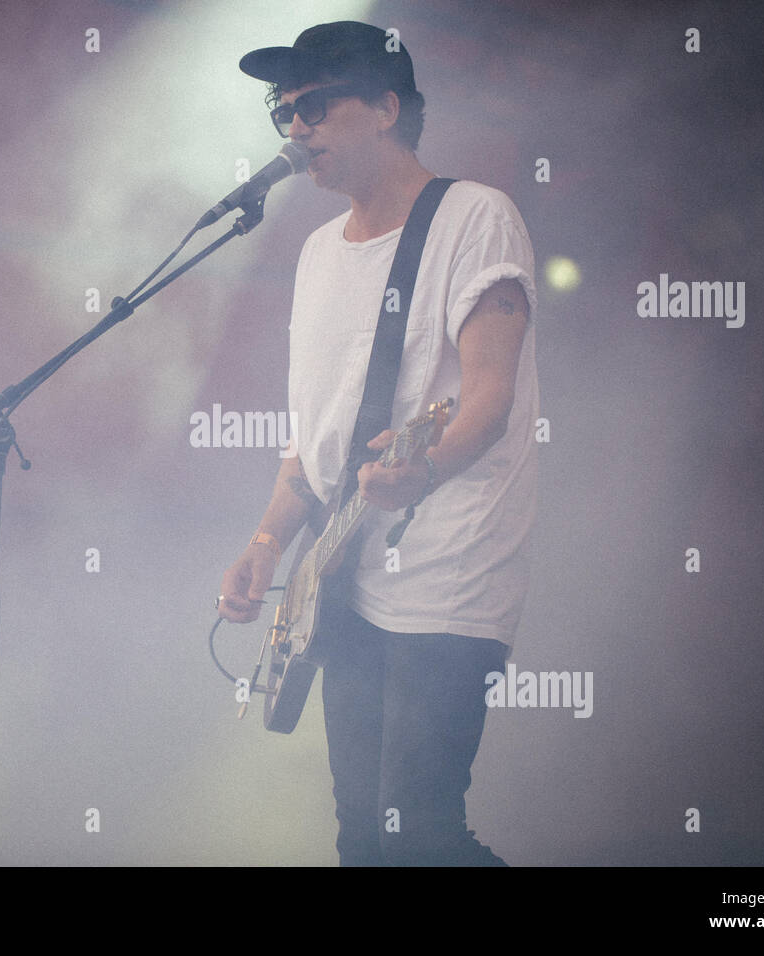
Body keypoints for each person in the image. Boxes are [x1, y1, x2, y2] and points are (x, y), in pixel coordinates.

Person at [216, 21, 538, 866]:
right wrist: (265, 541)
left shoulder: (474, 216)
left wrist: (423, 466)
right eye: (282, 112)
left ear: (388, 106)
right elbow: (314, 441)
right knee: (363, 835)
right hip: (344, 574)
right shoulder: (319, 253)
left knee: (423, 830)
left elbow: (490, 398)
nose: (295, 129)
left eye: (316, 106)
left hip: (447, 569)